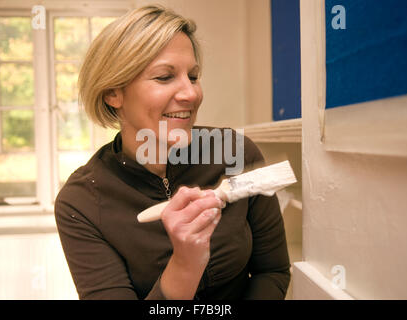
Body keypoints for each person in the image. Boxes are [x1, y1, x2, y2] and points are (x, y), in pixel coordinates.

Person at [54, 5, 291, 300]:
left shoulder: (235, 152)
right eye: (165, 77)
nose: (191, 94)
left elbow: (273, 271)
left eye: (193, 76)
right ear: (113, 93)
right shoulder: (81, 203)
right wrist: (185, 264)